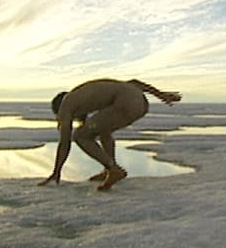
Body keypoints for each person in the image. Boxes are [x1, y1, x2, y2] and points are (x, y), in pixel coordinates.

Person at [37, 78, 182, 190]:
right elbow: (134, 83)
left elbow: (65, 141)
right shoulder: (85, 92)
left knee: (80, 136)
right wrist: (161, 95)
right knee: (103, 130)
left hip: (125, 102)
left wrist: (56, 171)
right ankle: (109, 170)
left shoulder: (66, 104)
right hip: (141, 103)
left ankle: (113, 169)